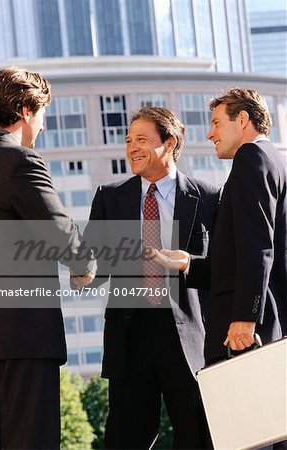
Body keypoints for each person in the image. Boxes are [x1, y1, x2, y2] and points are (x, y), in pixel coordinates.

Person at [81, 107, 220, 449]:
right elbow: (93, 267)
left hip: (189, 339)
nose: (132, 148)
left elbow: (221, 269)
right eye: (128, 141)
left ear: (170, 143)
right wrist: (81, 272)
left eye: (142, 139)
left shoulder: (209, 197)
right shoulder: (109, 197)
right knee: (125, 440)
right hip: (129, 337)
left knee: (200, 438)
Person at [0, 67, 94, 450]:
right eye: (43, 114)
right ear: (26, 111)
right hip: (21, 339)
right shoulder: (18, 161)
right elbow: (61, 234)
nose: (44, 127)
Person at [153, 88, 286, 367]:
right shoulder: (275, 160)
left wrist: (246, 318)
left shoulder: (252, 157)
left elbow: (258, 245)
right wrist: (189, 263)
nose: (210, 134)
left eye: (216, 123)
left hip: (244, 334)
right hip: (265, 324)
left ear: (242, 120)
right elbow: (238, 258)